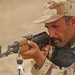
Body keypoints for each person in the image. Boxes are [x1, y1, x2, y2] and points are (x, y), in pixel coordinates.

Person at [20, 0, 75, 75]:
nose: (51, 34)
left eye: (56, 26)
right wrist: (43, 56)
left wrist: (39, 59)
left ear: (73, 22)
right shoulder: (57, 43)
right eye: (48, 28)